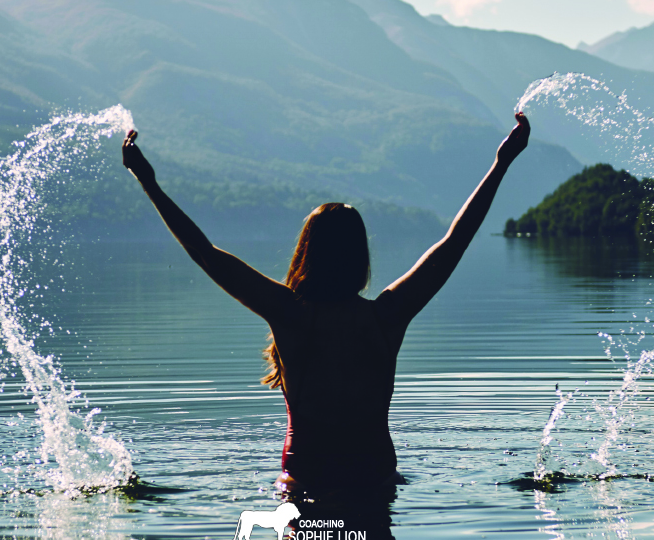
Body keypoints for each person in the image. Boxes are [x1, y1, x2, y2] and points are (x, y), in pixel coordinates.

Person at [122, 113, 530, 495]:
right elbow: (454, 242)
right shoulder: (386, 316)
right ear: (360, 258)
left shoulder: (289, 314)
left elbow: (205, 253)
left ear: (305, 254)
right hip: (375, 481)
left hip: (305, 482)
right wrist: (502, 164)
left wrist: (149, 183)